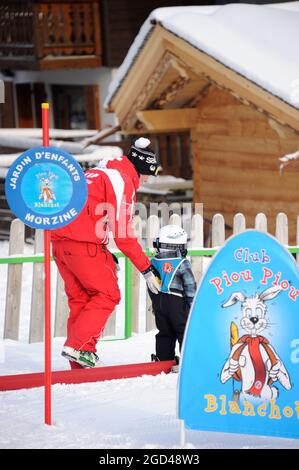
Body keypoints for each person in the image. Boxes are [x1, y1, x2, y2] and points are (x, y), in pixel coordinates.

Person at [51, 137, 161, 368]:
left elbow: (88, 212)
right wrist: (146, 268)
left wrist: (102, 249)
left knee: (81, 299)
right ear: (141, 169)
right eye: (148, 174)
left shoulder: (96, 173)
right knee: (107, 294)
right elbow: (123, 234)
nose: (147, 180)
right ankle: (80, 347)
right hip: (83, 245)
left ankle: (79, 361)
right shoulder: (121, 180)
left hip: (61, 244)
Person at [148, 225, 197, 368]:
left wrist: (155, 302)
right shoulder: (182, 263)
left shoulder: (154, 262)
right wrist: (192, 305)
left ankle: (163, 360)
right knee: (183, 330)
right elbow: (190, 286)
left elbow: (151, 286)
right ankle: (189, 362)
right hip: (177, 302)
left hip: (159, 301)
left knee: (164, 332)